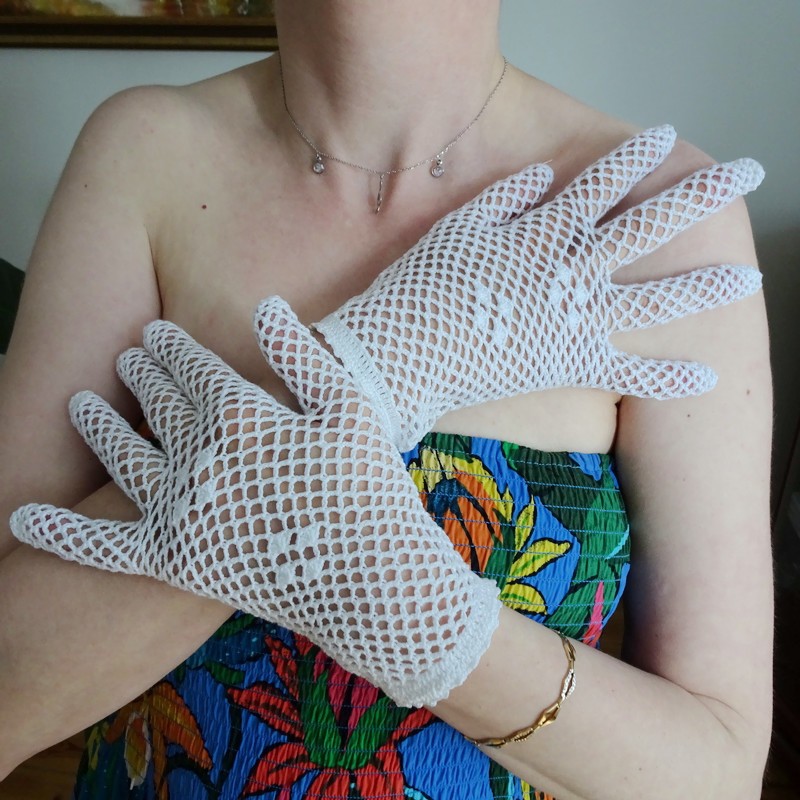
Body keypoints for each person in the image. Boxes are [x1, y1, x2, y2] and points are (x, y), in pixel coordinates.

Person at [0, 2, 773, 798]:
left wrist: (439, 631)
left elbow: (717, 777)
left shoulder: (654, 218)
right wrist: (371, 367)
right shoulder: (145, 153)